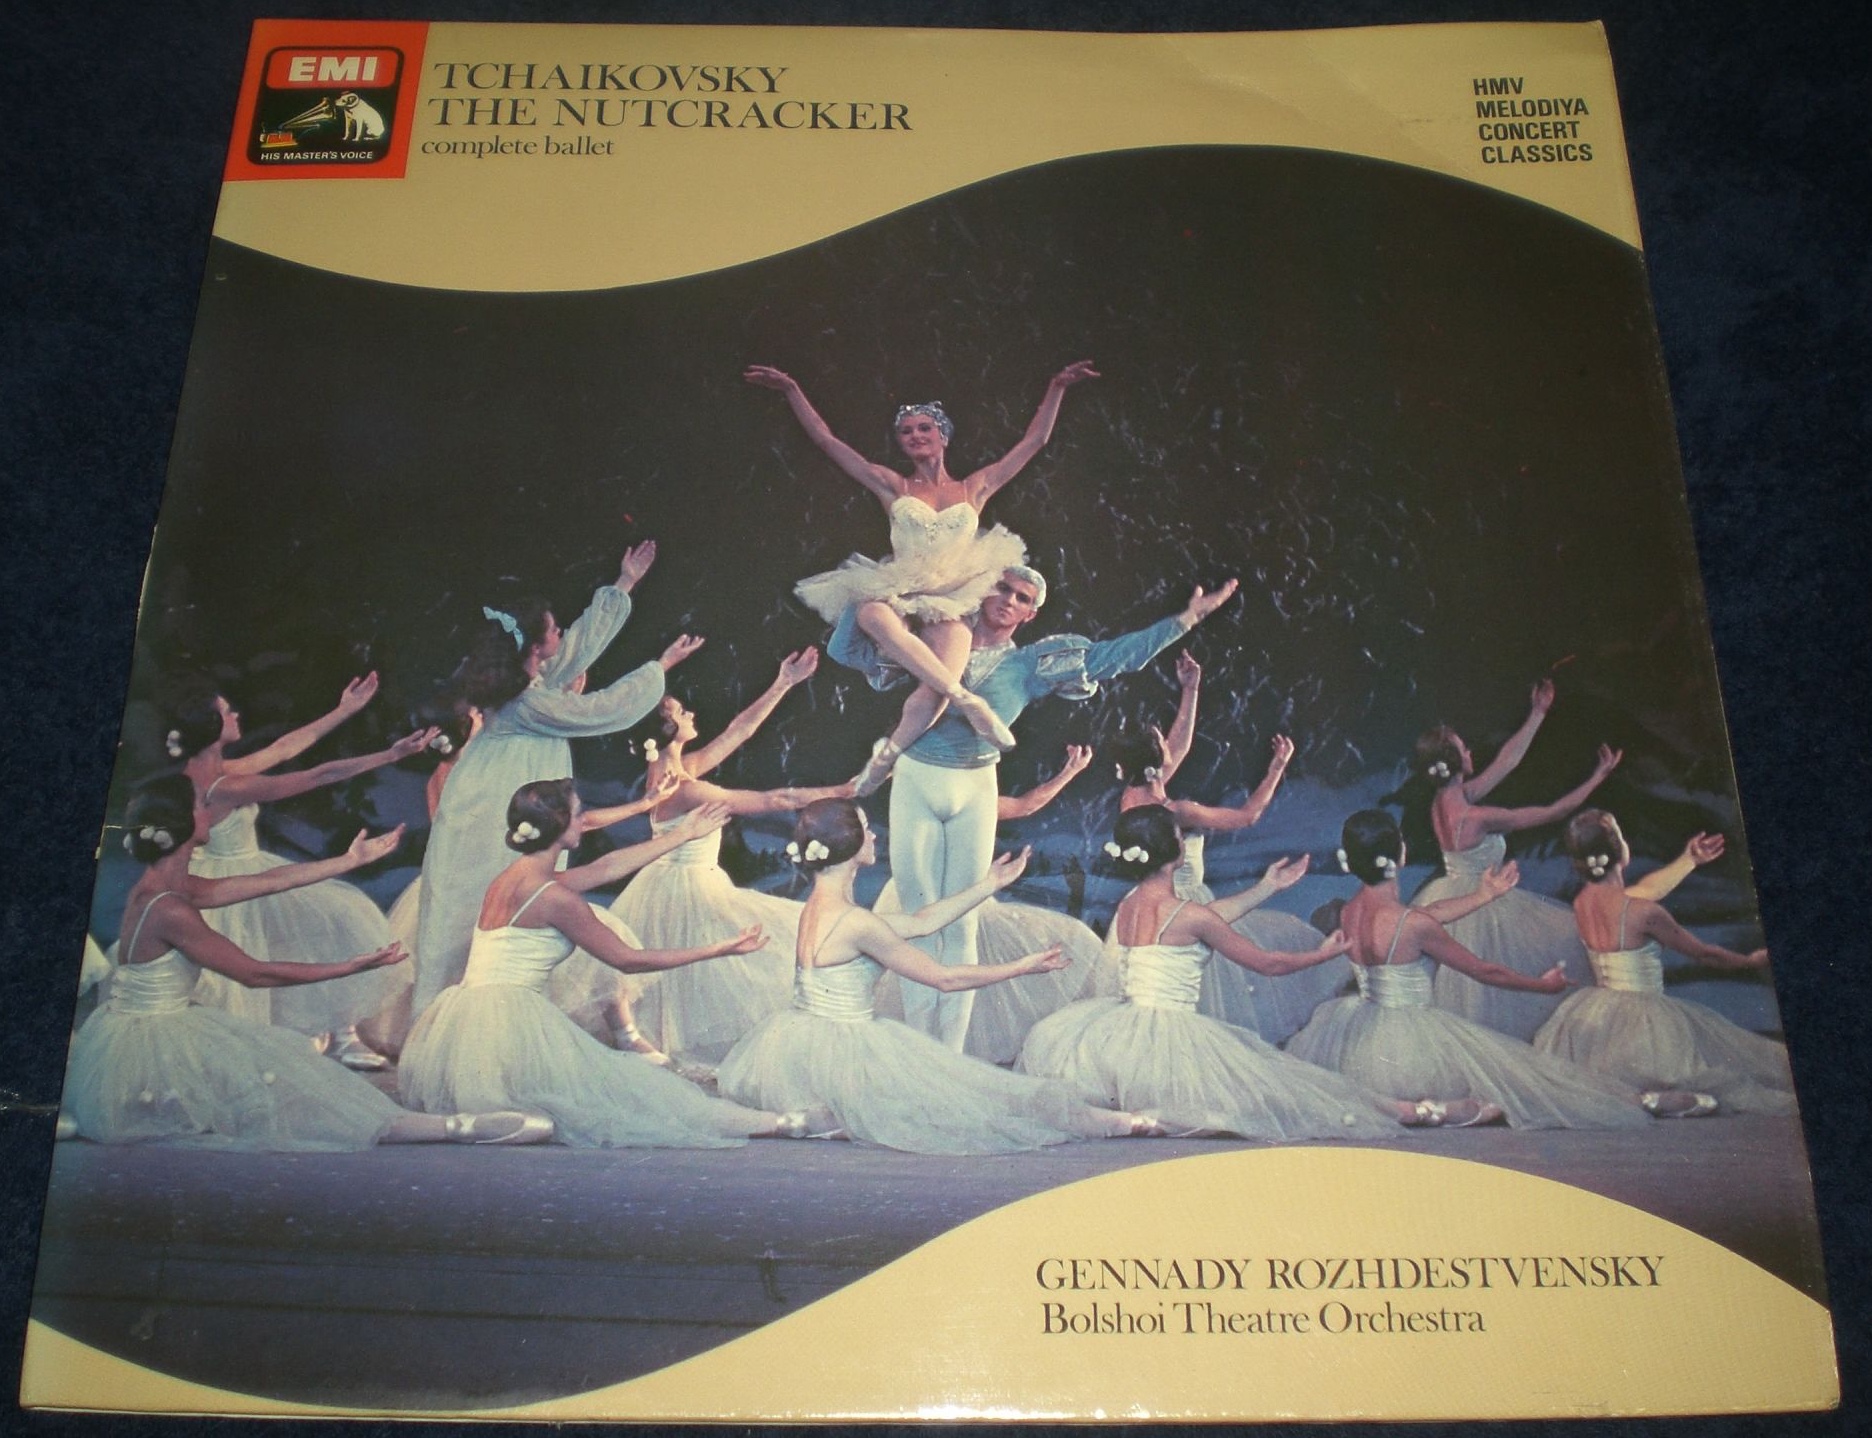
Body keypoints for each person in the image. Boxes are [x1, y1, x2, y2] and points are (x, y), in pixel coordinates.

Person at [65, 775, 548, 1149]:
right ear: (179, 825)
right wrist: (350, 966)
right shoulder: (170, 907)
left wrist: (348, 861)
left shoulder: (165, 887)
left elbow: (267, 882)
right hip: (154, 1041)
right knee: (294, 1089)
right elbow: (254, 973)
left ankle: (440, 1126)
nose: (208, 811)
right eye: (198, 806)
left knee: (280, 1086)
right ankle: (450, 1128)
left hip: (137, 1031)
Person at [887, 564, 1240, 1048]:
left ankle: (945, 1052)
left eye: (1023, 598)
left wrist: (1186, 620)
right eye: (1003, 589)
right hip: (915, 777)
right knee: (919, 916)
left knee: (961, 922)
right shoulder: (935, 637)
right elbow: (856, 646)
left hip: (974, 785)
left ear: (1031, 614)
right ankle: (917, 1045)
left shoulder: (1030, 664)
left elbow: (1114, 657)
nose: (1009, 601)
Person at [400, 780, 831, 1145]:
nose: (584, 820)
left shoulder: (515, 878)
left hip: (467, 1019)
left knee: (586, 1100)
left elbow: (606, 868)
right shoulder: (554, 898)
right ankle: (782, 1123)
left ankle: (489, 1121)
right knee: (635, 1099)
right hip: (509, 1025)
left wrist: (681, 835)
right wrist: (716, 949)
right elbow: (628, 960)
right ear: (561, 826)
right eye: (578, 814)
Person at [716, 800, 1158, 1152]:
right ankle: (1125, 1123)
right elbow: (944, 979)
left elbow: (923, 921)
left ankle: (815, 1120)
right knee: (973, 1103)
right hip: (848, 1049)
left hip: (803, 1045)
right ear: (849, 845)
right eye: (866, 829)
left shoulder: (822, 909)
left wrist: (988, 885)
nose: (874, 836)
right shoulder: (856, 923)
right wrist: (1022, 967)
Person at [745, 361, 1098, 778]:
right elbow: (827, 441)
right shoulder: (893, 485)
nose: (914, 436)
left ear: (943, 435)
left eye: (923, 428)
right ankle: (967, 700)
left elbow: (1033, 442)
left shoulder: (973, 488)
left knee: (936, 689)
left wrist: (1057, 386)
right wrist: (792, 390)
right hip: (902, 587)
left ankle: (882, 763)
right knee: (870, 612)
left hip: (951, 594)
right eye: (906, 432)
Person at [411, 540, 699, 1020]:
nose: (561, 633)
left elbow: (577, 646)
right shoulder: (528, 701)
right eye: (553, 629)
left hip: (499, 785)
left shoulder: (528, 681)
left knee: (517, 894)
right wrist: (661, 666)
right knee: (478, 901)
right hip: (494, 797)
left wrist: (625, 583)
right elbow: (601, 710)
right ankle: (455, 1019)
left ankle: (487, 1011)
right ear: (535, 646)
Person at [1017, 806, 1406, 1138]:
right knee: (1268, 1096)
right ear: (1174, 851)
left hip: (1124, 1031)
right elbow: (1268, 963)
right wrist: (1321, 955)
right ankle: (1146, 1120)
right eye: (1179, 836)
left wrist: (1268, 886)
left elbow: (1206, 918)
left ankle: (1138, 1118)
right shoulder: (1190, 915)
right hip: (1170, 1037)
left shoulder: (1130, 904)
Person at [1286, 810, 1648, 1129]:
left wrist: (1483, 896)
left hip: (1359, 1034)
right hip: (1409, 1041)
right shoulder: (1412, 924)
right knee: (1515, 1090)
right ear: (1400, 855)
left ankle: (1420, 1109)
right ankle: (1430, 1110)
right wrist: (1542, 985)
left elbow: (1420, 917)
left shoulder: (1350, 912)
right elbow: (1484, 971)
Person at [164, 672, 437, 1067]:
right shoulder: (222, 786)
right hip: (228, 880)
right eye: (226, 711)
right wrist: (389, 756)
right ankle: (286, 1043)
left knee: (329, 921)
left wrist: (344, 710)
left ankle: (340, 1032)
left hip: (246, 866)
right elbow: (317, 775)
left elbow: (284, 747)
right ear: (209, 727)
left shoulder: (221, 770)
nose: (235, 714)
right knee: (250, 968)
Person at [608, 650, 857, 1063]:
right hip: (690, 888)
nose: (690, 714)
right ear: (667, 729)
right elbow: (775, 799)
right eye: (681, 712)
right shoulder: (687, 789)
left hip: (667, 882)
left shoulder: (672, 772)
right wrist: (842, 791)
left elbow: (737, 732)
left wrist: (783, 683)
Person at [1113, 652, 1350, 1045]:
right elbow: (1247, 816)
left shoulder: (1135, 795)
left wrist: (1190, 690)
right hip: (1182, 902)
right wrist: (1276, 769)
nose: (1169, 743)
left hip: (1149, 900)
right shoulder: (1177, 811)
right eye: (1161, 741)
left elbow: (1177, 749)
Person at [1533, 810, 1796, 1116]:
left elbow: (1647, 890)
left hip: (1600, 1014)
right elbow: (1705, 954)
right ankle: (1656, 1097)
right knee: (1721, 1072)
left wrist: (1689, 860)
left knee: (1612, 1074)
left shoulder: (1583, 902)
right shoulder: (1644, 913)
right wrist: (1750, 961)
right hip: (1644, 1017)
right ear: (1619, 848)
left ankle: (1649, 1097)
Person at [872, 744, 1115, 1063]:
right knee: (917, 979)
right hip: (917, 900)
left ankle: (946, 1057)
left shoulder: (969, 798)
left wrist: (1069, 772)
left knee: (957, 979)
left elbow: (1025, 805)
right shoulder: (914, 792)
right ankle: (924, 1059)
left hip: (963, 902)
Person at [1411, 680, 1624, 1039]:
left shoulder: (1444, 801)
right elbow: (1554, 812)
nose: (1470, 751)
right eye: (1463, 748)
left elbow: (1505, 762)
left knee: (1473, 996)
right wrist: (1596, 779)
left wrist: (1537, 713)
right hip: (1481, 906)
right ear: (1455, 762)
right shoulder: (1475, 817)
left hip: (1453, 896)